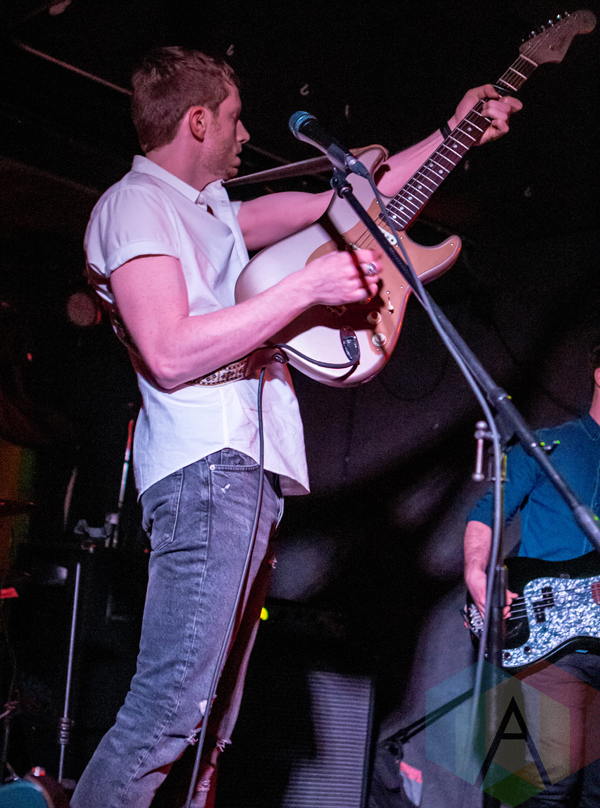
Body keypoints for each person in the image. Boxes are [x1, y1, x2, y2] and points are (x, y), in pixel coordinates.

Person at [72, 46, 521, 808]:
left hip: (243, 476)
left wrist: (456, 131)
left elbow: (350, 205)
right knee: (168, 715)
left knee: (209, 730)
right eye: (235, 118)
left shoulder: (210, 211)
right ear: (198, 121)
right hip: (205, 471)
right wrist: (308, 287)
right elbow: (170, 352)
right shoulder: (136, 205)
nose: (245, 135)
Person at [464, 344, 600, 806]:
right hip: (550, 646)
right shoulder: (546, 444)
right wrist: (476, 572)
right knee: (544, 793)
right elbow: (486, 515)